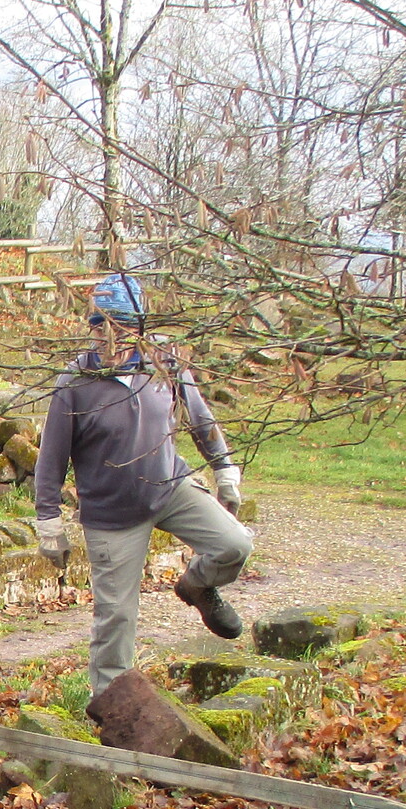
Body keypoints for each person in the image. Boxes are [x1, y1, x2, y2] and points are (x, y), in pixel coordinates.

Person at [32, 273, 254, 697]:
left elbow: (200, 418)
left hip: (170, 487)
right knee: (116, 618)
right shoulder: (75, 382)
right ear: (92, 326)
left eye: (123, 328)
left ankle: (197, 586)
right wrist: (48, 521)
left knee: (234, 544)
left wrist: (224, 469)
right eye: (102, 326)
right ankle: (112, 709)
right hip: (111, 514)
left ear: (138, 328)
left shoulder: (163, 362)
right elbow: (52, 456)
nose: (112, 338)